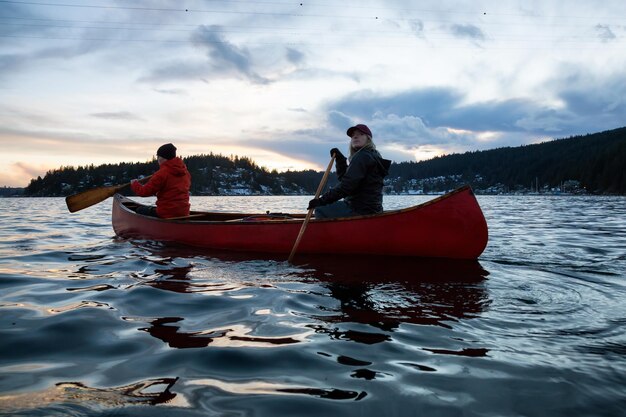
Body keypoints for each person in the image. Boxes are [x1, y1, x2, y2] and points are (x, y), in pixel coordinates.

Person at [308, 124, 391, 218]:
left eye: (360, 134)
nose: (355, 136)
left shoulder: (363, 156)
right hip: (372, 208)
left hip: (360, 209)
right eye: (353, 135)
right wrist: (340, 161)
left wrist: (321, 201)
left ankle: (334, 232)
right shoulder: (372, 156)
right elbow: (347, 181)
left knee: (320, 209)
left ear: (368, 139)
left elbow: (346, 186)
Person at [131, 143, 191, 218]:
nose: (157, 159)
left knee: (139, 210)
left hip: (166, 213)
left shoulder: (161, 174)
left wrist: (134, 184)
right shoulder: (185, 172)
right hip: (184, 212)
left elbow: (144, 192)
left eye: (158, 156)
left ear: (163, 158)